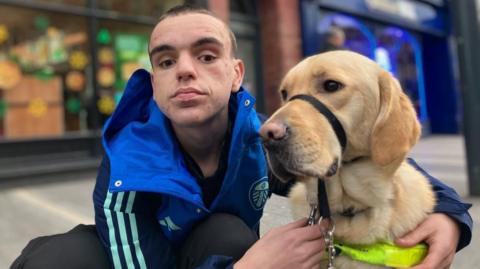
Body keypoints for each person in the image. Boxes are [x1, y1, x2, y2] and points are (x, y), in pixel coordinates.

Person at [11, 4, 472, 269]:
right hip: (127, 260)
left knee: (226, 233)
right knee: (61, 259)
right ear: (154, 82)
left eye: (206, 55)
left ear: (236, 74)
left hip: (211, 253)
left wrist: (452, 218)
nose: (186, 70)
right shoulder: (127, 160)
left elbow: (379, 158)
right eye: (166, 61)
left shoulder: (263, 136)